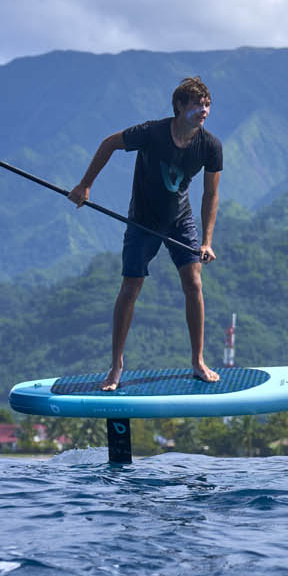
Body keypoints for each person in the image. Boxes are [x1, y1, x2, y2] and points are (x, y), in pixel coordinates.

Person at [68, 76, 223, 388]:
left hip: (180, 220)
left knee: (194, 282)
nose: (204, 110)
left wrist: (207, 241)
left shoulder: (210, 146)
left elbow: (211, 195)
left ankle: (198, 361)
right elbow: (109, 143)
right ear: (179, 106)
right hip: (143, 221)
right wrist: (85, 185)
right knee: (131, 287)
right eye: (197, 104)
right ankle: (116, 366)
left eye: (207, 105)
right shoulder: (151, 133)